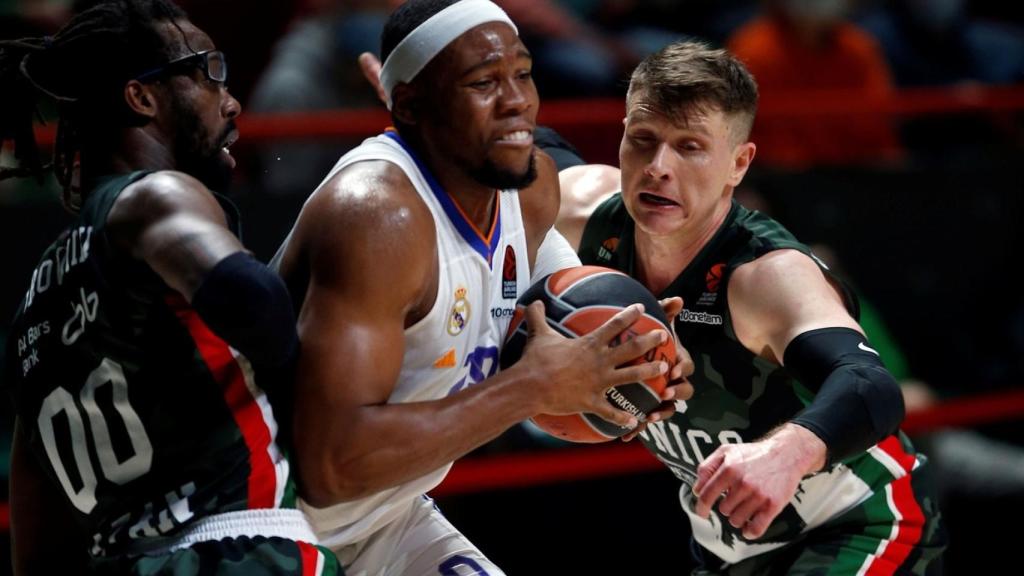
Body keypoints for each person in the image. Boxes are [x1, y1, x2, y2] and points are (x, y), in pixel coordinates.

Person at [272, 0, 691, 574]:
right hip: (270, 522)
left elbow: (564, 319)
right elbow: (330, 467)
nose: (517, 99)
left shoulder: (530, 186)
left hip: (386, 518)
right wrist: (530, 388)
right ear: (411, 106)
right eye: (483, 82)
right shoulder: (376, 218)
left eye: (522, 73)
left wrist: (635, 355)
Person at [556, 41, 946, 574]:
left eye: (690, 147)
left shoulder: (765, 273)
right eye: (642, 140)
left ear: (739, 163)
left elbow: (869, 384)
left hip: (860, 525)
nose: (657, 168)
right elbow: (525, 153)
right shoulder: (583, 212)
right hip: (727, 544)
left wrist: (787, 451)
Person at [0, 1, 340, 573]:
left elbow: (35, 553)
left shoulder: (33, 308)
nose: (231, 100)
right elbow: (256, 304)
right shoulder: (153, 195)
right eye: (210, 72)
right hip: (239, 549)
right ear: (142, 97)